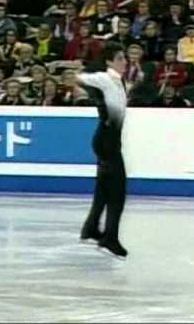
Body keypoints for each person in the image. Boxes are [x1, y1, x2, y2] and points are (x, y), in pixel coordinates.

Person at [76, 41, 129, 258]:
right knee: (118, 191)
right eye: (120, 58)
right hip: (106, 142)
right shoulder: (105, 79)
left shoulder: (117, 81)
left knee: (104, 187)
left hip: (109, 140)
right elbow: (78, 77)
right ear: (109, 61)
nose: (125, 62)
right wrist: (96, 98)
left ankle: (90, 228)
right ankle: (110, 238)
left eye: (124, 58)